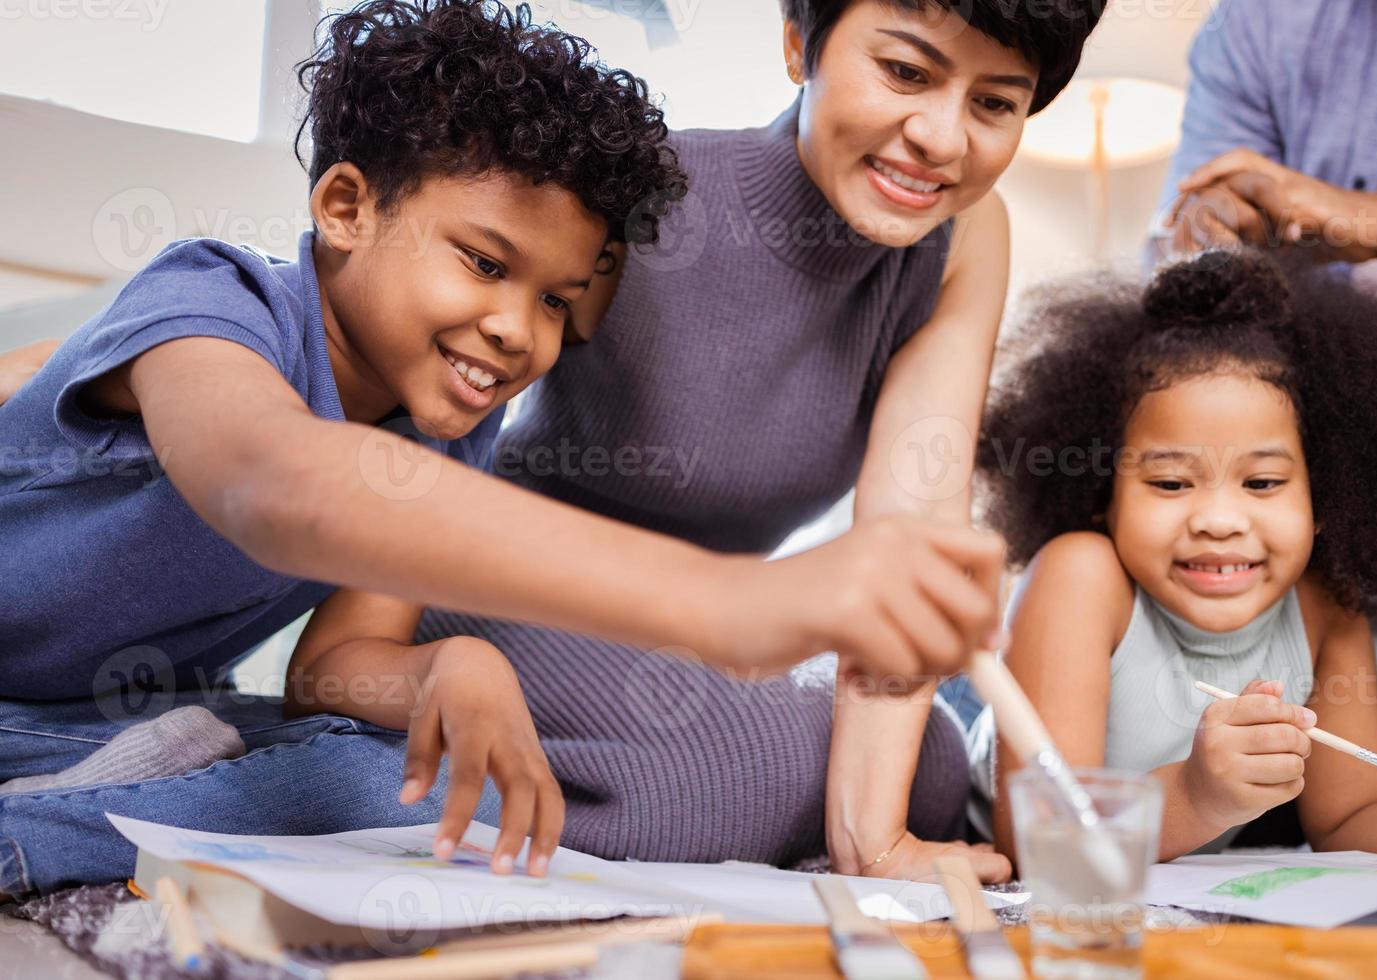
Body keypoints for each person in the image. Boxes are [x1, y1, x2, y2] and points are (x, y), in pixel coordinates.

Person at [0, 0, 1008, 898]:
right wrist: (734, 603)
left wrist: (444, 667)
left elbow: (336, 665)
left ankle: (94, 792)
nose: (518, 331)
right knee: (323, 778)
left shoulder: (450, 417)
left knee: (361, 779)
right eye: (485, 262)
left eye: (558, 303)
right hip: (59, 708)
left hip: (94, 715)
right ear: (346, 207)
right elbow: (275, 481)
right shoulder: (212, 301)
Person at [295, 0, 1105, 884]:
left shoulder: (964, 240)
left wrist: (871, 844)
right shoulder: (630, 195)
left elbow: (912, 524)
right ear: (799, 43)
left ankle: (533, 788)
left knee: (935, 765)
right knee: (740, 765)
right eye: (906, 73)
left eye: (996, 104)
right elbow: (441, 419)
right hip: (521, 593)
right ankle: (307, 776)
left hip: (712, 636)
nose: (942, 138)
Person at [969, 248, 1377, 864]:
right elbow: (1039, 841)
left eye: (1262, 483)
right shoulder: (1080, 576)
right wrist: (1195, 794)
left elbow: (1352, 819)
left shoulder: (1324, 603)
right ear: (1103, 494)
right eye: (1171, 484)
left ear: (1326, 494)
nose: (1218, 521)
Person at [1157, 0, 1377, 302]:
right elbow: (1193, 217)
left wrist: (1361, 217)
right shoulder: (1260, 15)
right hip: (1306, 337)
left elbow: (1352, 220)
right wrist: (1222, 220)